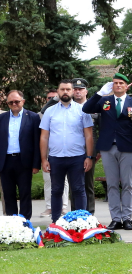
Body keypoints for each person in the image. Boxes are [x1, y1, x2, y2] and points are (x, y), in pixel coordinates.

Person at [82, 73, 132, 230]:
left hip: (128, 147)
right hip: (108, 147)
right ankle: (116, 218)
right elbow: (86, 108)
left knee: (128, 183)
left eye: (121, 83)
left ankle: (127, 217)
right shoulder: (104, 101)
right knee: (112, 184)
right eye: (115, 83)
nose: (118, 85)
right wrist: (100, 93)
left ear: (126, 85)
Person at [40, 80, 95, 222]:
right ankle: (56, 221)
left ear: (72, 91)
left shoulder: (82, 111)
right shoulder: (49, 112)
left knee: (78, 189)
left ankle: (80, 221)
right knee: (56, 190)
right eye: (62, 89)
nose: (65, 92)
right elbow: (44, 136)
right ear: (58, 92)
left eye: (68, 89)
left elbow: (88, 135)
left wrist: (89, 156)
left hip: (77, 157)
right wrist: (44, 159)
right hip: (56, 157)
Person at [0, 90, 41, 219]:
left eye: (17, 101)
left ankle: (25, 223)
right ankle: (12, 224)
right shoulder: (2, 118)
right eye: (11, 102)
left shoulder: (33, 117)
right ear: (7, 103)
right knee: (8, 194)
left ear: (23, 101)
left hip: (24, 162)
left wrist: (36, 164)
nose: (14, 104)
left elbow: (37, 142)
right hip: (5, 162)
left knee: (25, 193)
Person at [71, 79, 99, 214]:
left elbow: (99, 131)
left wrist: (96, 151)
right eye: (75, 89)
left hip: (90, 151)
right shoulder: (67, 107)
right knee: (73, 185)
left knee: (88, 184)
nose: (77, 91)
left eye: (80, 89)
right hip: (72, 151)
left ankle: (89, 213)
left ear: (86, 91)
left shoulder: (94, 107)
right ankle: (74, 213)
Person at [40, 87, 67, 218]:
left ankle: (64, 207)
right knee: (48, 181)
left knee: (64, 182)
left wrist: (57, 99)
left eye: (54, 97)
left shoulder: (65, 110)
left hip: (64, 151)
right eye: (49, 98)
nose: (52, 100)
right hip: (50, 151)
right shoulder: (45, 113)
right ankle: (49, 207)